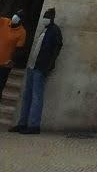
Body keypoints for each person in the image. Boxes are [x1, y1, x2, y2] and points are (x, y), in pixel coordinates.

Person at [8, 7, 63, 135]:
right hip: (32, 66)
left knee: (37, 97)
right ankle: (22, 123)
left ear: (52, 18)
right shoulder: (45, 30)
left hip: (40, 67)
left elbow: (57, 47)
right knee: (27, 96)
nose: (45, 18)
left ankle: (34, 125)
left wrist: (49, 65)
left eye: (47, 16)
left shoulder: (54, 31)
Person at [0, 11, 27, 102]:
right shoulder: (4, 21)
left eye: (18, 16)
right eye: (15, 14)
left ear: (21, 20)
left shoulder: (21, 32)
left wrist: (12, 60)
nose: (15, 17)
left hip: (5, 64)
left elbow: (19, 50)